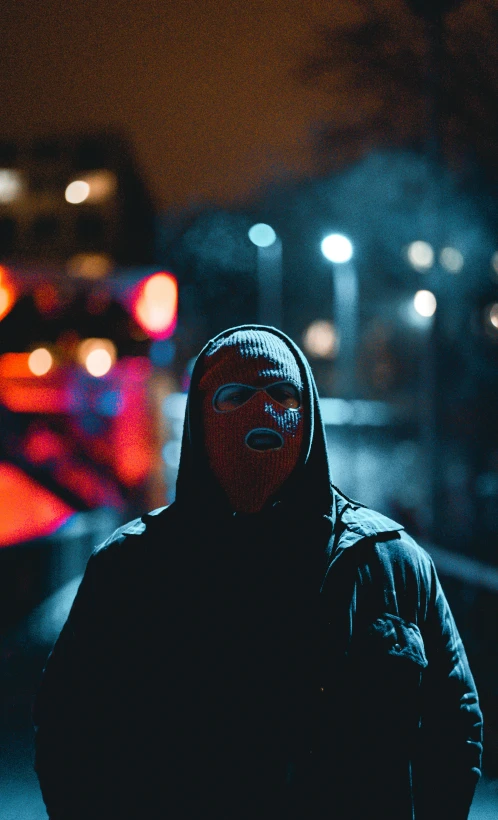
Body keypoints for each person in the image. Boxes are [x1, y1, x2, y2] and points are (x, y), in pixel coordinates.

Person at [33, 324, 483, 819]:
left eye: (283, 394)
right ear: (201, 419)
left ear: (308, 416)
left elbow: (454, 724)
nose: (262, 411)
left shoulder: (391, 562)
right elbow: (68, 732)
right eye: (236, 395)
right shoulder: (132, 566)